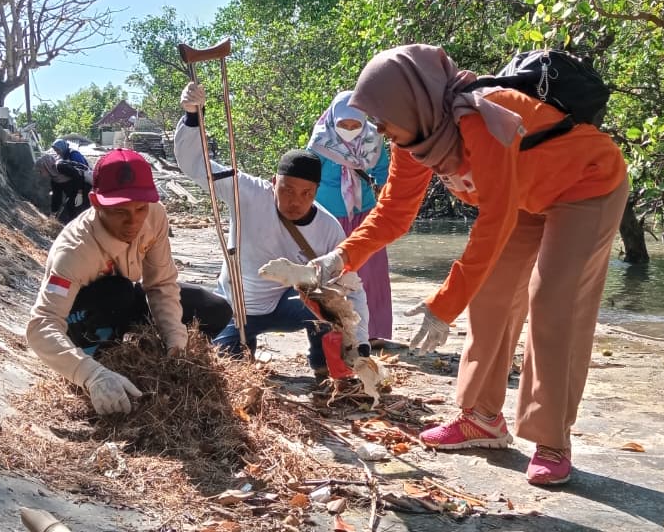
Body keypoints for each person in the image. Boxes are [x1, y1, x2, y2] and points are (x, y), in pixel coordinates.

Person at [307, 44, 628, 486]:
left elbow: (494, 221)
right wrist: (341, 257)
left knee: (553, 300)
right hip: (524, 196)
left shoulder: (483, 117)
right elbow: (394, 212)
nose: (380, 131)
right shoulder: (417, 138)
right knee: (492, 295)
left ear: (410, 100)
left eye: (382, 119)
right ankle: (482, 418)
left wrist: (443, 305)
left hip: (585, 185)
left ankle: (552, 439)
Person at [174, 82, 374, 380]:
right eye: (288, 190)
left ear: (316, 192)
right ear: (272, 182)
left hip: (286, 306)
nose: (296, 202)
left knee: (332, 306)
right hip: (236, 306)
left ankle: (323, 362)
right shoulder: (249, 193)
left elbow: (351, 290)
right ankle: (243, 344)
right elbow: (196, 165)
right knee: (230, 371)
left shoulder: (328, 227)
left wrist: (359, 343)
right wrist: (192, 117)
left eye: (307, 194)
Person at [27, 148, 232, 416]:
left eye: (140, 209)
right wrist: (91, 374)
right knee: (118, 292)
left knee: (215, 309)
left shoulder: (155, 215)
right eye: (120, 211)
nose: (133, 221)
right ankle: (98, 358)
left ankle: (142, 350)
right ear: (96, 203)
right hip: (83, 313)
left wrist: (175, 343)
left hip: (123, 301)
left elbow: (161, 284)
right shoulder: (74, 252)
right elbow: (41, 326)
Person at [306, 91, 394, 346]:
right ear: (334, 119)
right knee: (332, 275)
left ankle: (375, 332)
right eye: (344, 124)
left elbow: (384, 172)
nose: (350, 129)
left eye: (355, 124)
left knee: (373, 273)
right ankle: (334, 332)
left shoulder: (372, 139)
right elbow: (306, 175)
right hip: (328, 215)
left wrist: (387, 201)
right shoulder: (320, 142)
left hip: (365, 214)